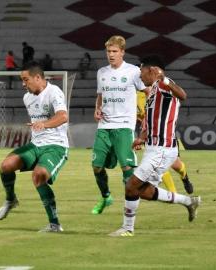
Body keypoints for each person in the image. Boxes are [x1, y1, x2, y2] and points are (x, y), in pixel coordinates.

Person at [109, 55, 201, 237]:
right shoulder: (153, 93)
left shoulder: (165, 86)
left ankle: (127, 229)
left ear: (152, 70)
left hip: (162, 149)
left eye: (142, 71)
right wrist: (141, 138)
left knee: (131, 185)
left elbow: (183, 95)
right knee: (143, 191)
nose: (140, 76)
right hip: (153, 147)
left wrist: (164, 79)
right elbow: (151, 122)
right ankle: (189, 202)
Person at [0, 61, 69, 233]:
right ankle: (11, 199)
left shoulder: (54, 92)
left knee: (39, 175)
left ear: (37, 77)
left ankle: (55, 224)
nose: (23, 83)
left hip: (56, 146)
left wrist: (44, 124)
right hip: (36, 145)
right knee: (6, 166)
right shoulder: (27, 97)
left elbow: (63, 116)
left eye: (26, 79)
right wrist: (39, 127)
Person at [91, 35, 146, 215]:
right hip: (104, 126)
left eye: (115, 51)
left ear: (122, 52)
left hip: (124, 126)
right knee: (97, 166)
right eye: (108, 51)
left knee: (127, 167)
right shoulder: (102, 72)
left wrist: (146, 115)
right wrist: (97, 108)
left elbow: (148, 91)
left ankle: (130, 204)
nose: (111, 55)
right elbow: (100, 95)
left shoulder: (133, 72)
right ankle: (106, 197)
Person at [136, 85, 194, 194]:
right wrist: (141, 137)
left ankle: (184, 177)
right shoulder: (134, 97)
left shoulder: (159, 90)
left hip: (165, 134)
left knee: (177, 166)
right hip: (150, 135)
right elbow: (140, 119)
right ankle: (173, 194)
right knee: (158, 164)